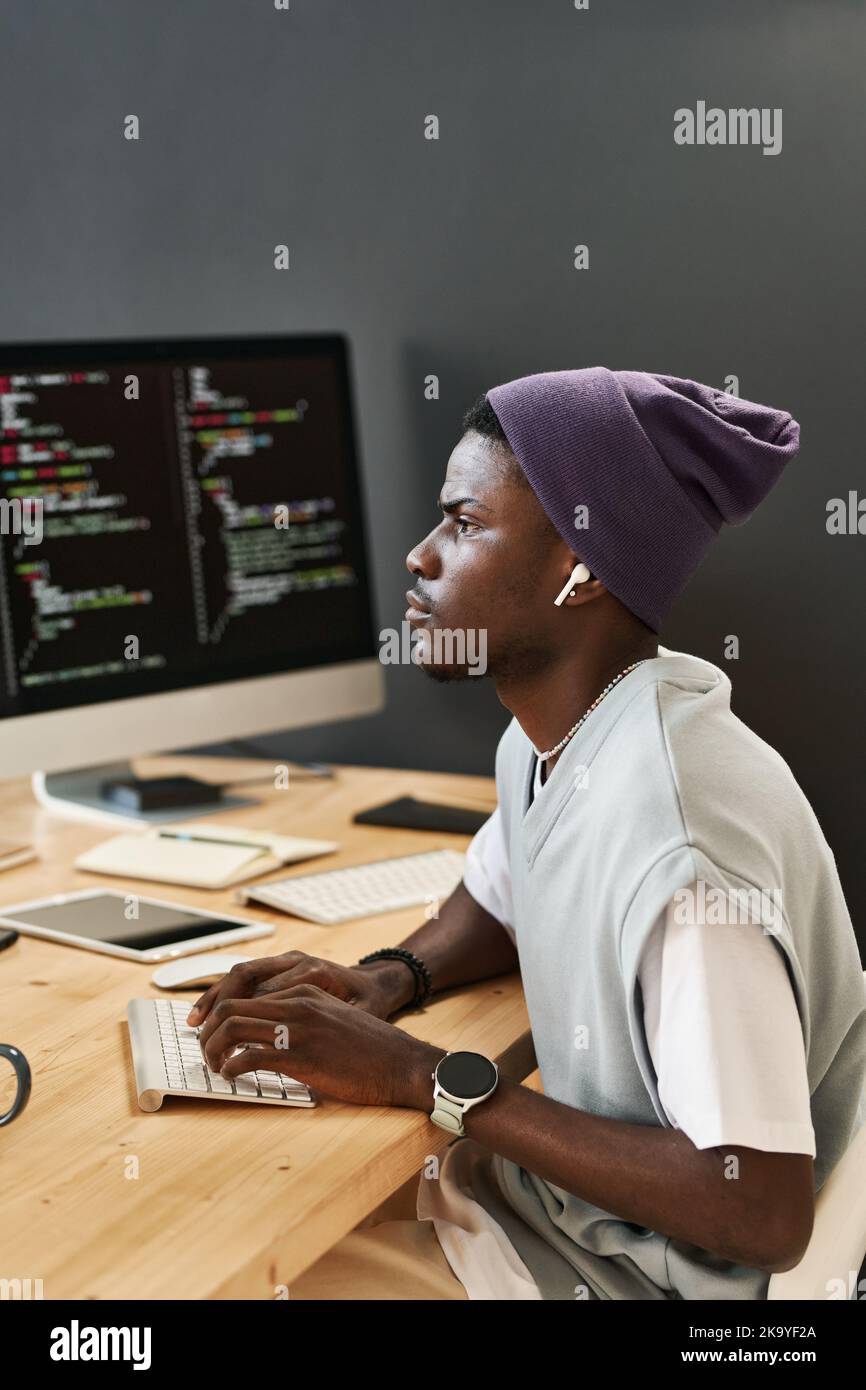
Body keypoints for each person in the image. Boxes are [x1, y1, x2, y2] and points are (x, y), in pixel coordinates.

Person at [189, 367, 866, 1300]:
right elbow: (502, 898)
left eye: (465, 524)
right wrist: (384, 979)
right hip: (562, 1221)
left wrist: (419, 1076)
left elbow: (760, 1210)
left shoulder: (683, 852)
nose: (420, 557)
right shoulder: (562, 734)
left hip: (658, 1285)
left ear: (582, 569)